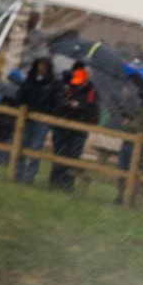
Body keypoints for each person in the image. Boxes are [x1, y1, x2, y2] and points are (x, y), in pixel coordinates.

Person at [48, 63, 99, 193]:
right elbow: (58, 102)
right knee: (59, 154)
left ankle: (67, 186)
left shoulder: (92, 92)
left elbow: (93, 111)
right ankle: (54, 184)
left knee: (73, 158)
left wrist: (78, 107)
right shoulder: (67, 86)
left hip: (79, 130)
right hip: (61, 127)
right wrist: (70, 105)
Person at [14, 56, 61, 183]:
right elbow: (20, 96)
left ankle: (30, 176)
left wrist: (48, 114)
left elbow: (56, 102)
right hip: (26, 118)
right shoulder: (29, 80)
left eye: (44, 65)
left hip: (43, 120)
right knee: (21, 145)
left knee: (36, 147)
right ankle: (18, 174)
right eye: (40, 65)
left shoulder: (54, 83)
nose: (41, 68)